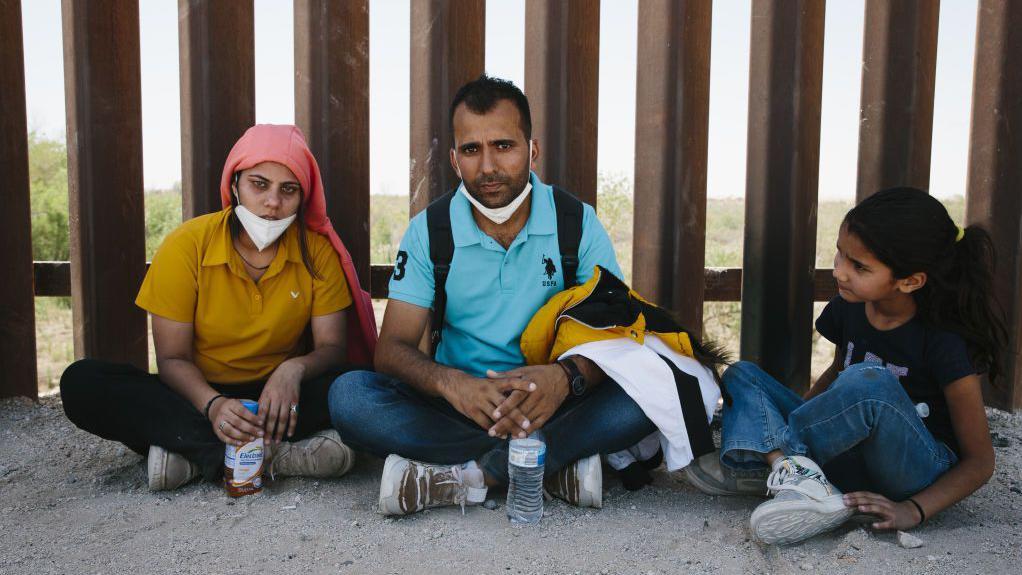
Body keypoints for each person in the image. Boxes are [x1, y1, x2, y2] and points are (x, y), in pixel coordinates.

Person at [329, 75, 657, 515]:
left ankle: (471, 476)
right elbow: (392, 350)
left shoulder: (576, 223)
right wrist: (453, 385)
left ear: (532, 149)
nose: (487, 166)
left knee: (647, 393)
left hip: (554, 401)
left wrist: (564, 380)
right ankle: (549, 463)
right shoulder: (430, 230)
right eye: (471, 149)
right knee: (349, 398)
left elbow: (614, 337)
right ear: (454, 157)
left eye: (503, 145)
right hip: (460, 403)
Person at [60, 124, 377, 491]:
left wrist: (292, 370)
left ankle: (191, 456)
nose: (273, 202)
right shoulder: (187, 246)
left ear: (302, 197)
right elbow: (173, 359)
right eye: (259, 184)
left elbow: (332, 348)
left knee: (356, 386)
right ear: (234, 185)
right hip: (197, 395)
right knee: (82, 383)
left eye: (288, 189)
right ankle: (268, 457)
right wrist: (213, 406)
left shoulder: (317, 253)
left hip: (276, 400)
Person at [686, 187, 1004, 544]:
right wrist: (799, 414)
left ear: (910, 280)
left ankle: (779, 466)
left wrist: (914, 509)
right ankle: (795, 473)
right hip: (849, 457)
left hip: (913, 469)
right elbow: (836, 372)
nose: (840, 272)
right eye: (840, 254)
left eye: (859, 266)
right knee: (742, 374)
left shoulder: (943, 340)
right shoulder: (850, 306)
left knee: (869, 383)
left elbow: (979, 462)